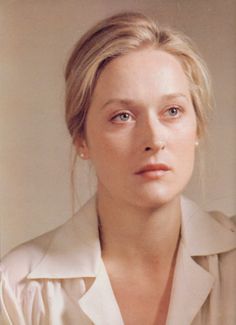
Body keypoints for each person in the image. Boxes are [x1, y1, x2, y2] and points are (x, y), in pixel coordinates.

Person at [0, 12, 235, 325]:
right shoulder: (16, 289)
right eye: (122, 116)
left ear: (198, 128)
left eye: (172, 111)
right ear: (81, 138)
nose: (153, 139)